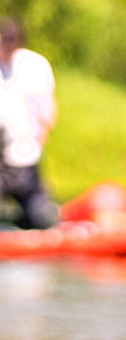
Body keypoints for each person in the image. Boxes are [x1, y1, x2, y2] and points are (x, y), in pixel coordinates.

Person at [0, 18, 58, 229]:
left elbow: (48, 109)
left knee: (42, 219)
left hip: (25, 160)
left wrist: (40, 137)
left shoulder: (34, 65)